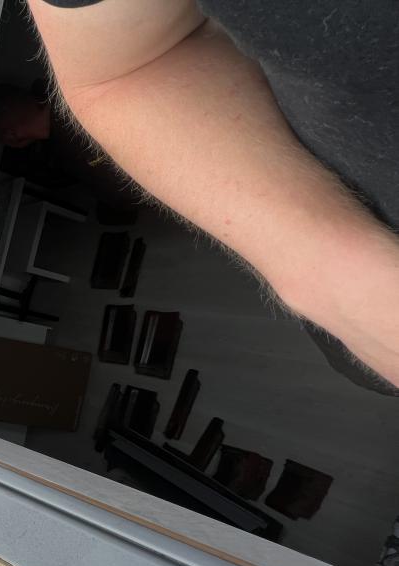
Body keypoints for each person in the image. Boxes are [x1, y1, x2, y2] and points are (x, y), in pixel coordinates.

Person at [23, 0, 399, 394]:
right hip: (368, 297)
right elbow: (126, 71)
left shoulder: (63, 160)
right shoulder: (61, 162)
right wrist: (341, 279)